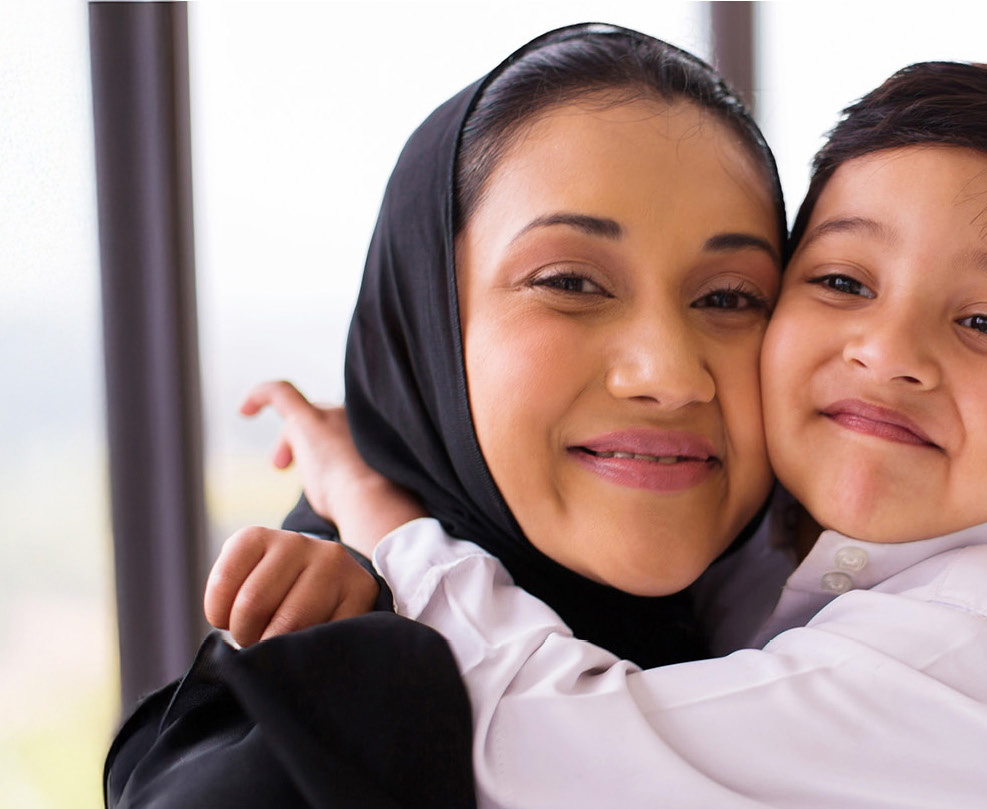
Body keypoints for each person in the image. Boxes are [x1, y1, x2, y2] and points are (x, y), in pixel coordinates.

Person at [214, 61, 987, 807]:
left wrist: (381, 513)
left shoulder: (979, 662)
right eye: (844, 281)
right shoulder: (767, 546)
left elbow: (554, 743)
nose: (889, 352)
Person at [104, 23, 788, 809]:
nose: (669, 375)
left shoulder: (833, 644)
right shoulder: (304, 739)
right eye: (570, 281)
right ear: (424, 322)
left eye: (730, 297)